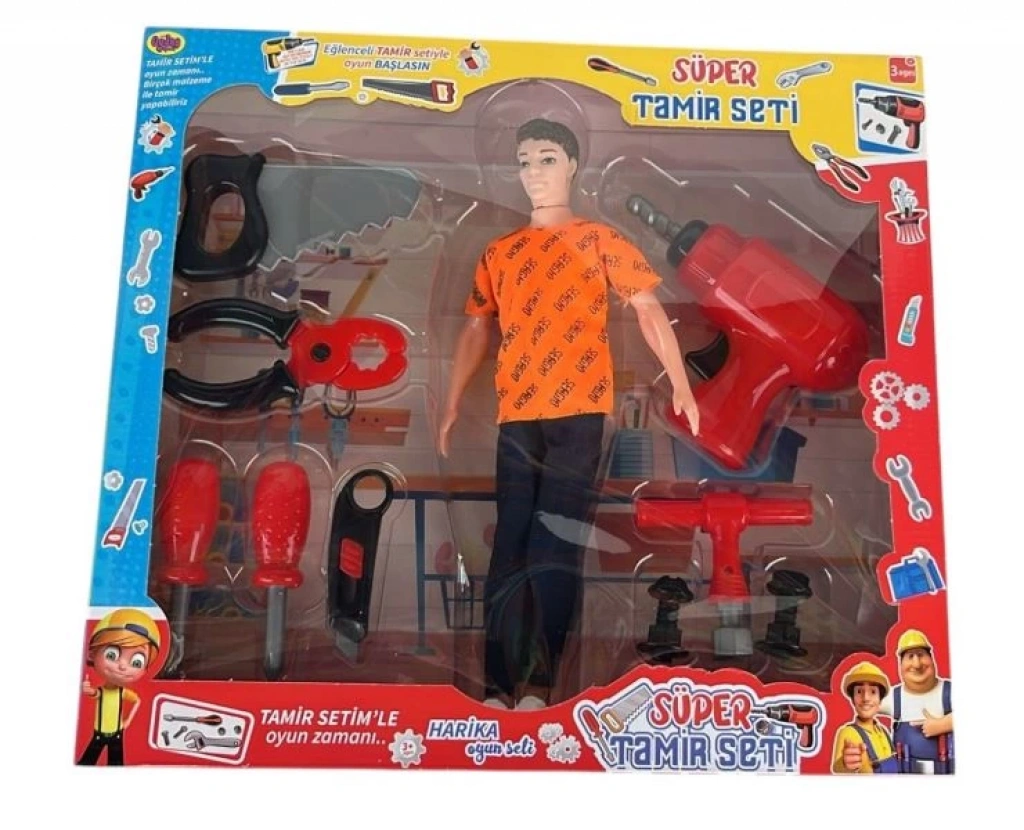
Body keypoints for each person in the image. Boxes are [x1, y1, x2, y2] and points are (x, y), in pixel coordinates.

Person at [438, 117, 699, 710]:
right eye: (525, 161)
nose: (534, 173)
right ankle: (498, 685)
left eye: (547, 159)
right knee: (509, 546)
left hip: (579, 410)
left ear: (574, 165)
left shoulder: (599, 241)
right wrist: (451, 402)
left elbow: (648, 309)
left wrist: (680, 382)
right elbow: (476, 328)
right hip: (517, 412)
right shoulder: (500, 251)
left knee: (553, 546)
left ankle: (540, 684)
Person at [78, 608, 162, 765]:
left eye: (136, 662)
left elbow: (137, 701)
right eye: (112, 655)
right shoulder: (102, 691)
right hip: (99, 733)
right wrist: (86, 689)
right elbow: (94, 693)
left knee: (116, 763)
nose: (122, 666)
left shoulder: (123, 692)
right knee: (88, 761)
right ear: (92, 653)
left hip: (117, 733)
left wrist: (128, 720)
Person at [879, 628, 954, 774]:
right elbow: (862, 706)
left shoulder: (949, 691)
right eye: (910, 656)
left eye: (921, 655)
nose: (917, 664)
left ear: (931, 658)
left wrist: (944, 724)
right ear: (900, 664)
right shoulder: (893, 697)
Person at [831, 661, 898, 773]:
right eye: (859, 691)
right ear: (852, 699)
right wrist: (845, 763)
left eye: (873, 692)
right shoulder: (847, 732)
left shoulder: (883, 731)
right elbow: (838, 769)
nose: (866, 698)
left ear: (880, 700)